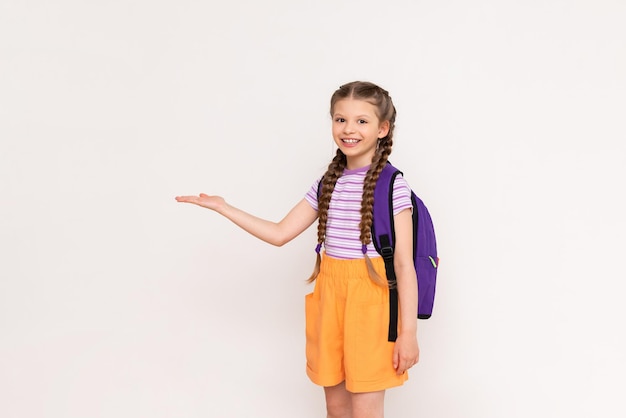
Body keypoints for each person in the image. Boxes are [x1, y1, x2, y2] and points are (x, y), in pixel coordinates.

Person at [176, 81, 419, 418]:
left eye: (362, 121)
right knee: (335, 409)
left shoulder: (393, 186)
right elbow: (279, 233)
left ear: (383, 128)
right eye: (340, 119)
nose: (349, 129)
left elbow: (405, 266)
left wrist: (407, 333)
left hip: (372, 305)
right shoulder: (327, 183)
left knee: (365, 410)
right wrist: (224, 207)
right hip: (330, 298)